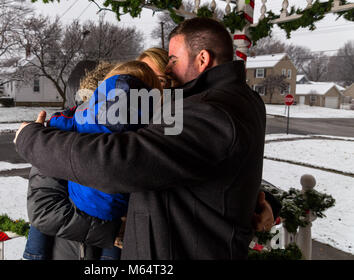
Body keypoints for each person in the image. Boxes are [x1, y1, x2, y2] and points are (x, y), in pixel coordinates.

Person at [15, 17, 277, 259]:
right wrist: (114, 231)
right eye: (136, 82)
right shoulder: (92, 120)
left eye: (161, 78)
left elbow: (120, 162)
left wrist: (30, 138)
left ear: (202, 59)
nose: (148, 91)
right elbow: (44, 206)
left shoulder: (198, 113)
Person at [23, 61, 162, 260]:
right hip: (74, 247)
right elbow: (44, 210)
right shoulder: (152, 137)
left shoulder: (69, 128)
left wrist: (39, 133)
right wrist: (113, 231)